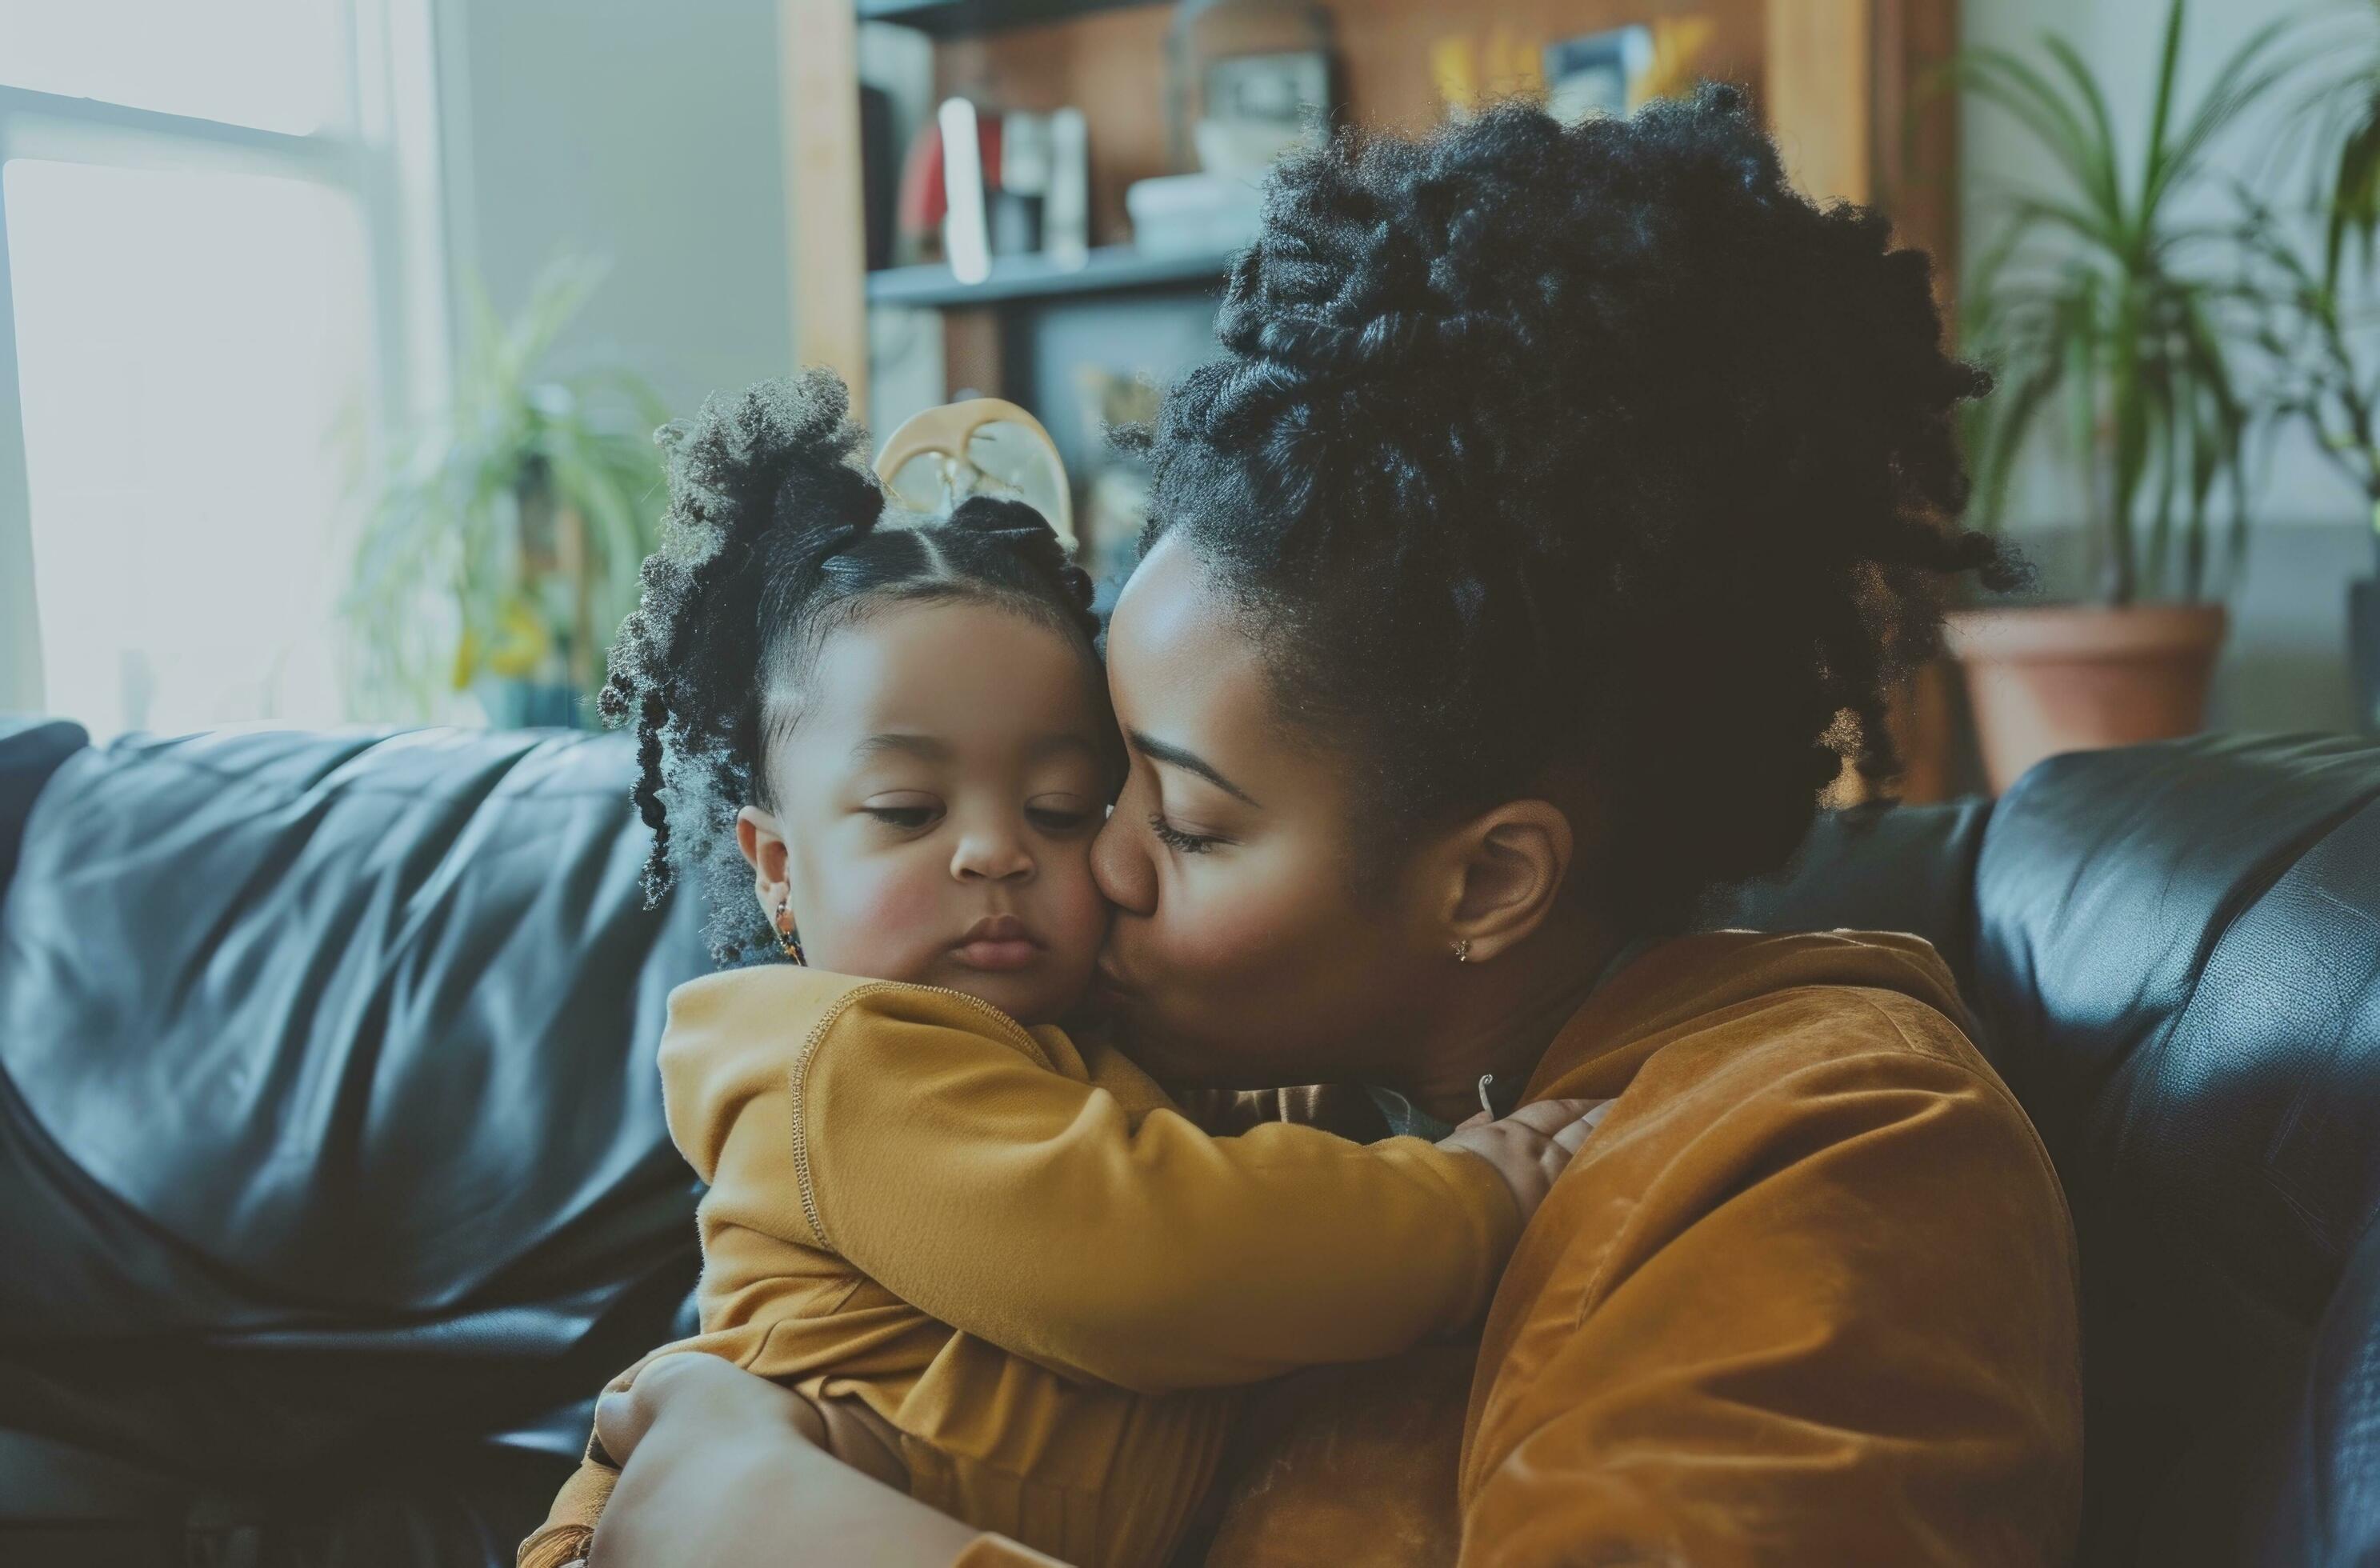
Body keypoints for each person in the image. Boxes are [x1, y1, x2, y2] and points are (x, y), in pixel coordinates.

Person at [578, 84, 2086, 1567]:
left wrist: (782, 1528)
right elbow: (724, 1412)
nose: (1085, 866)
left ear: (1489, 879)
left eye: (1184, 821)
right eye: (1106, 789)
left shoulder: (1826, 1156)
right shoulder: (1260, 1099)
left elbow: (742, 1491)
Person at [517, 374, 1605, 1568]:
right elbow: (1150, 1257)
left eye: (1059, 806)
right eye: (906, 809)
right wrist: (1470, 1204)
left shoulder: (1097, 1060)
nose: (994, 851)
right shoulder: (836, 1060)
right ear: (778, 867)